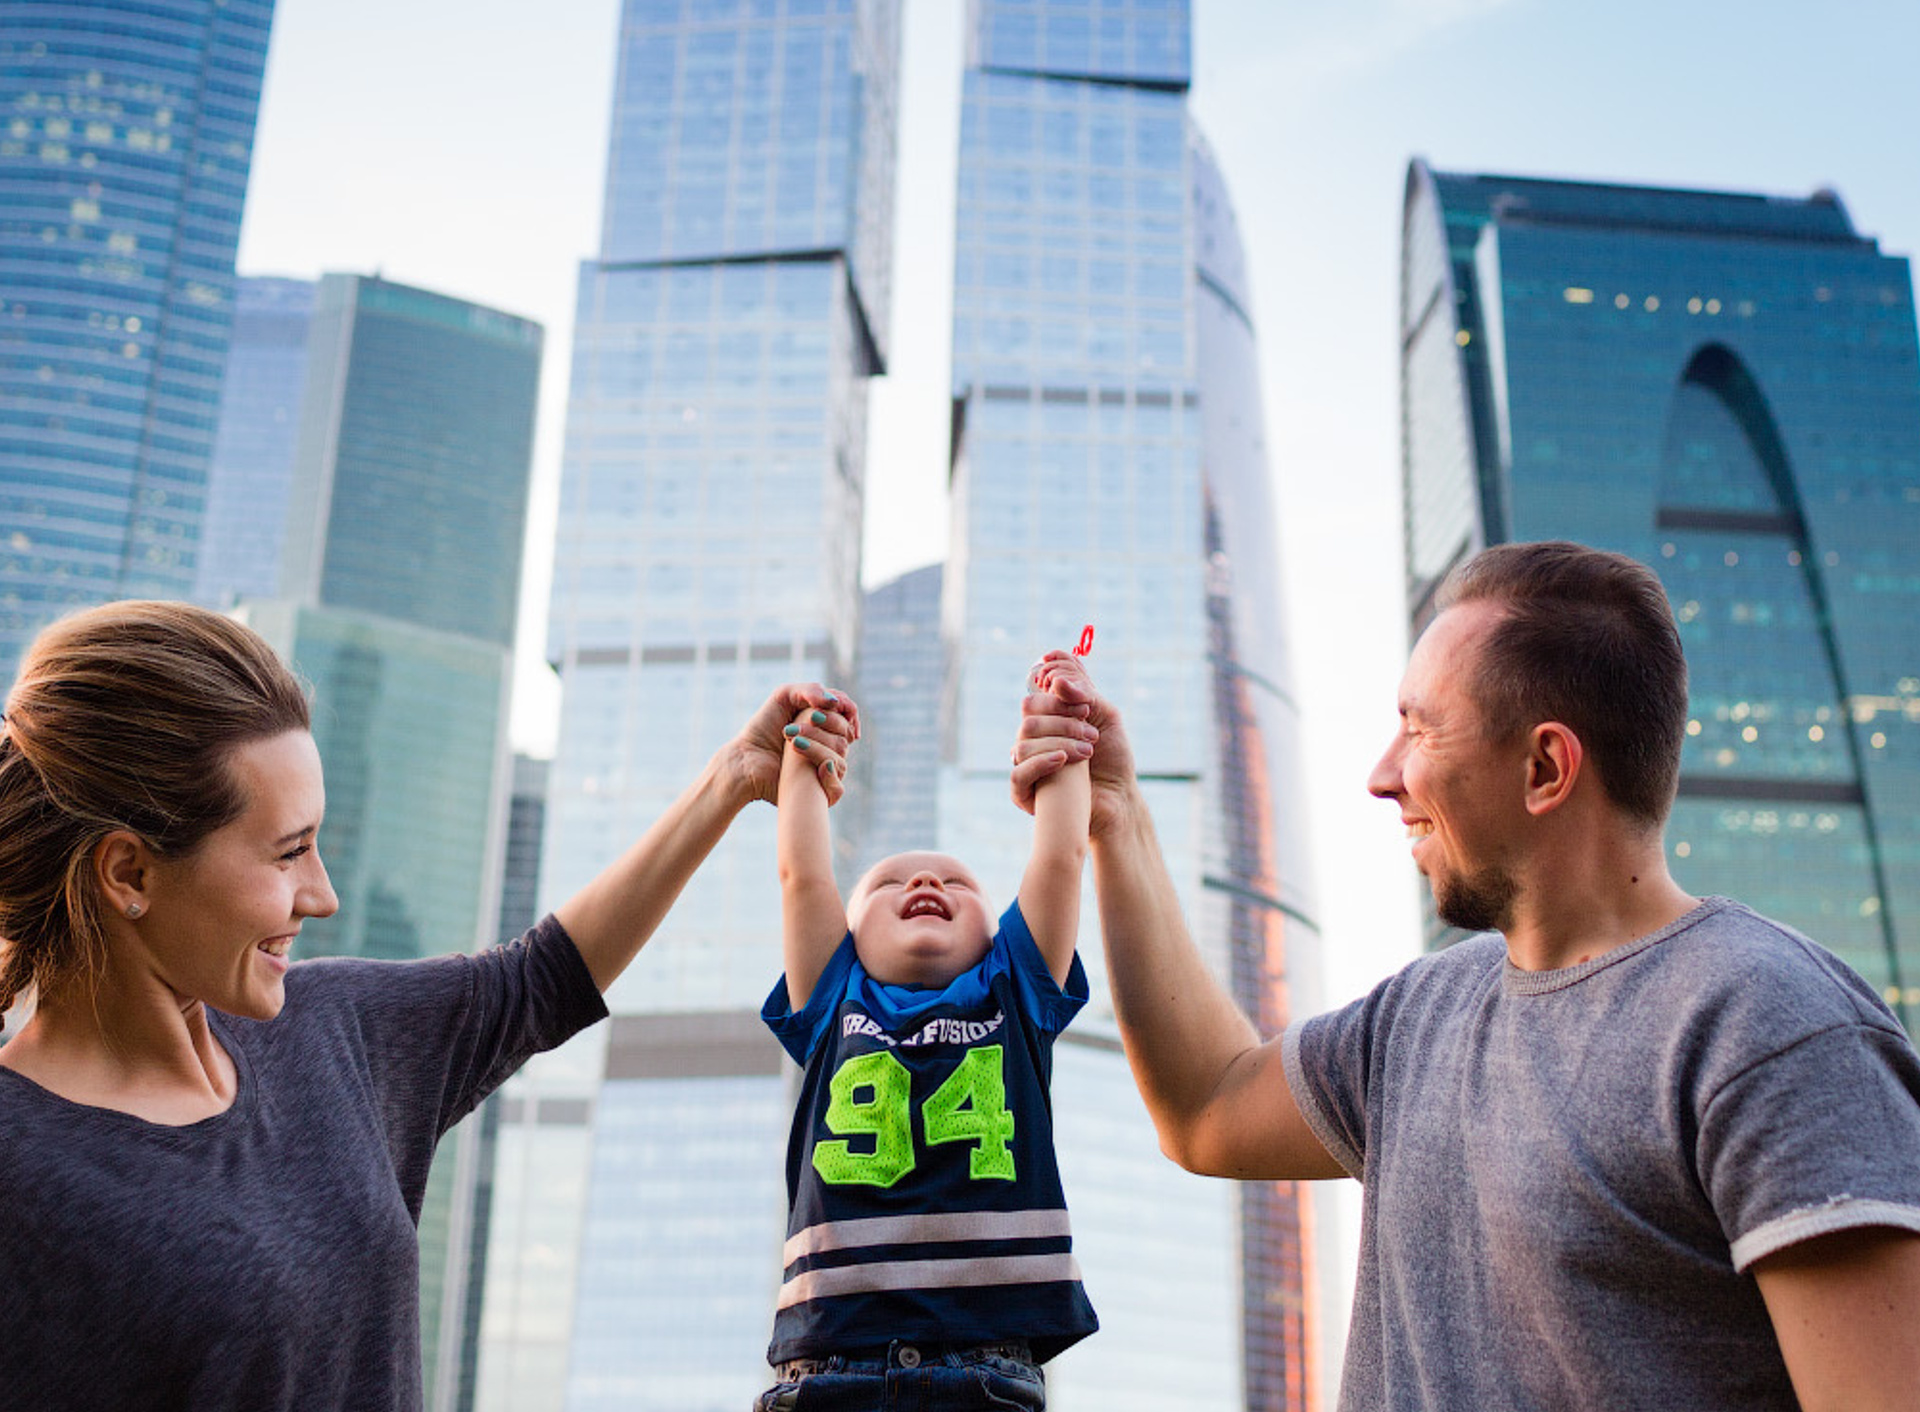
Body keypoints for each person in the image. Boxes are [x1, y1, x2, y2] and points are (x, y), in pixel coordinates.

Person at [1013, 543, 1920, 1412]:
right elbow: (1206, 1107)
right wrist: (1118, 818)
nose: (1381, 776)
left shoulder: (1774, 1030)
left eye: (1418, 728)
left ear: (1545, 767)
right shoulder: (1421, 1013)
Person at [0, 598, 846, 1412]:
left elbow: (541, 979)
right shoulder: (22, 1170)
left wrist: (731, 780)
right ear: (129, 874)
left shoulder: (333, 1032)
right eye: (289, 853)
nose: (321, 894)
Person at [755, 675, 1099, 1410]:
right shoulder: (833, 997)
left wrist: (1065, 733)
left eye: (956, 880)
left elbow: (1062, 857)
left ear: (993, 931)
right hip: (827, 1371)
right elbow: (802, 876)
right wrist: (804, 757)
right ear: (848, 933)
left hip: (985, 1374)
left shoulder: (1015, 992)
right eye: (888, 883)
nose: (925, 882)